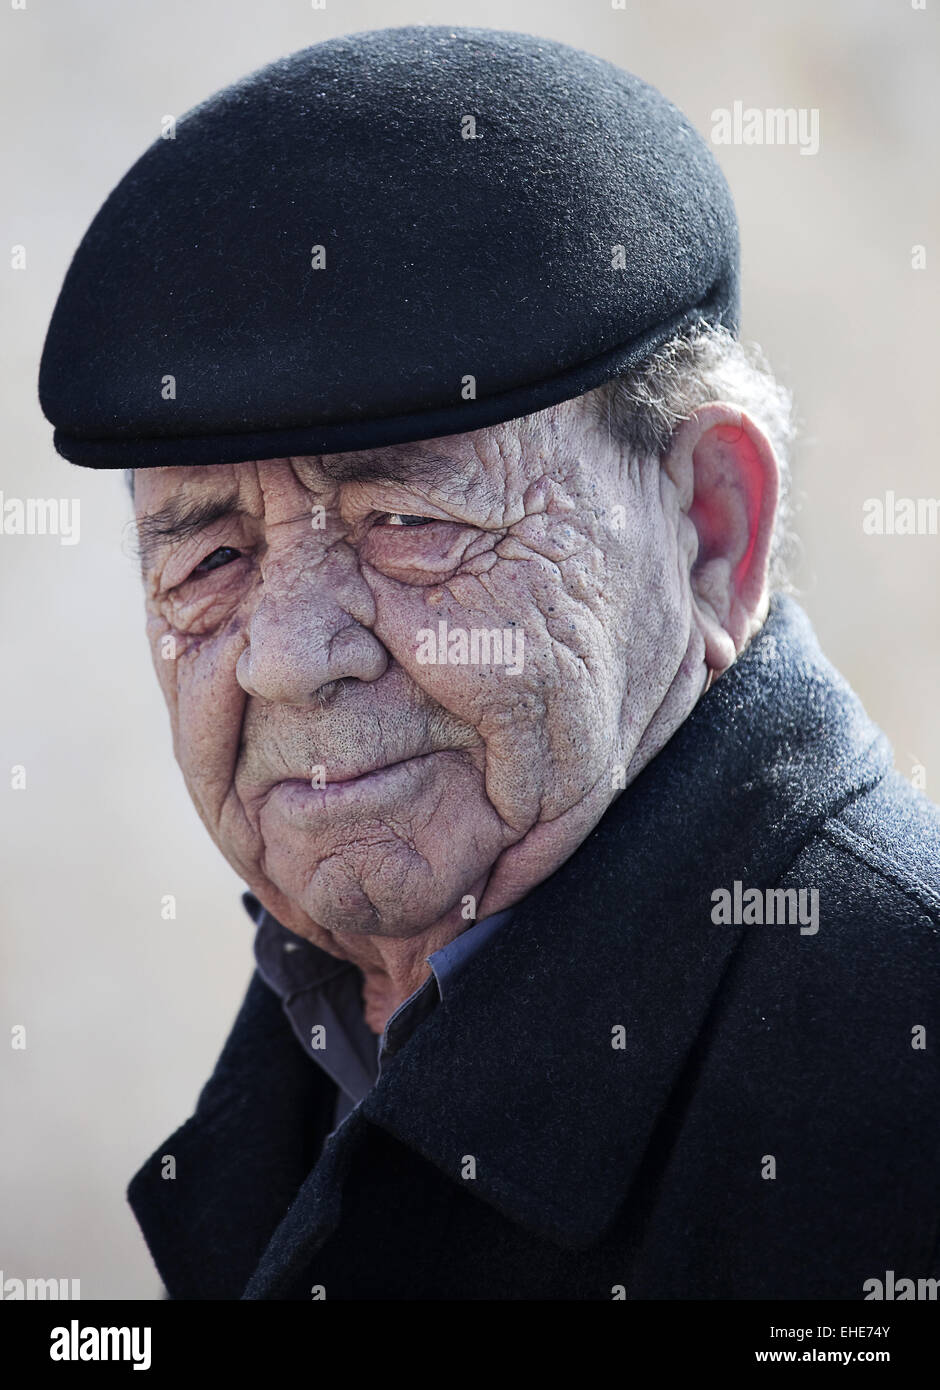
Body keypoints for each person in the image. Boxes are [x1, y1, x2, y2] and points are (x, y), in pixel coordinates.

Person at [38, 26, 940, 1300]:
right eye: (208, 556)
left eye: (410, 524)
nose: (288, 660)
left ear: (709, 525)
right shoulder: (340, 1023)